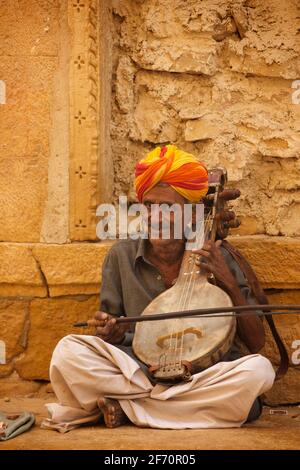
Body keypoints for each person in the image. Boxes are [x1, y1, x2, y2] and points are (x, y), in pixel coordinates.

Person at [42, 145, 275, 433]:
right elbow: (111, 333)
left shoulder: (218, 256)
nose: (155, 216)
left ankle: (129, 408)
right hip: (140, 371)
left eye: (167, 208)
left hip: (203, 374)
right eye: (149, 205)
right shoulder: (121, 256)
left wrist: (226, 279)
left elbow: (255, 343)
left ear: (192, 216)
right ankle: (174, 409)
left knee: (257, 371)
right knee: (68, 353)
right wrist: (111, 331)